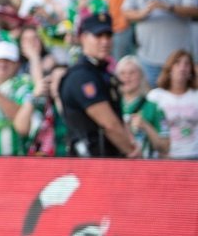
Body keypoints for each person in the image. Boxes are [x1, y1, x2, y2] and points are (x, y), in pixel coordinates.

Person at [59, 13, 139, 158]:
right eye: (98, 36)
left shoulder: (102, 72)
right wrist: (132, 153)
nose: (105, 41)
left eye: (108, 36)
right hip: (91, 162)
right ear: (83, 38)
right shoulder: (82, 76)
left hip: (106, 157)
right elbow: (110, 125)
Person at [115, 55, 170, 159]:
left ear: (141, 76)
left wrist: (146, 126)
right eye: (122, 73)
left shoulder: (154, 107)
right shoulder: (110, 106)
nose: (127, 77)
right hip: (115, 166)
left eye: (132, 73)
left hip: (145, 167)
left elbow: (165, 147)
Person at [147, 49, 198, 159]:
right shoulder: (156, 96)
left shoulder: (196, 96)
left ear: (191, 70)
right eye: (177, 63)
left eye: (187, 64)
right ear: (169, 68)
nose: (182, 67)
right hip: (165, 157)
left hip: (194, 155)